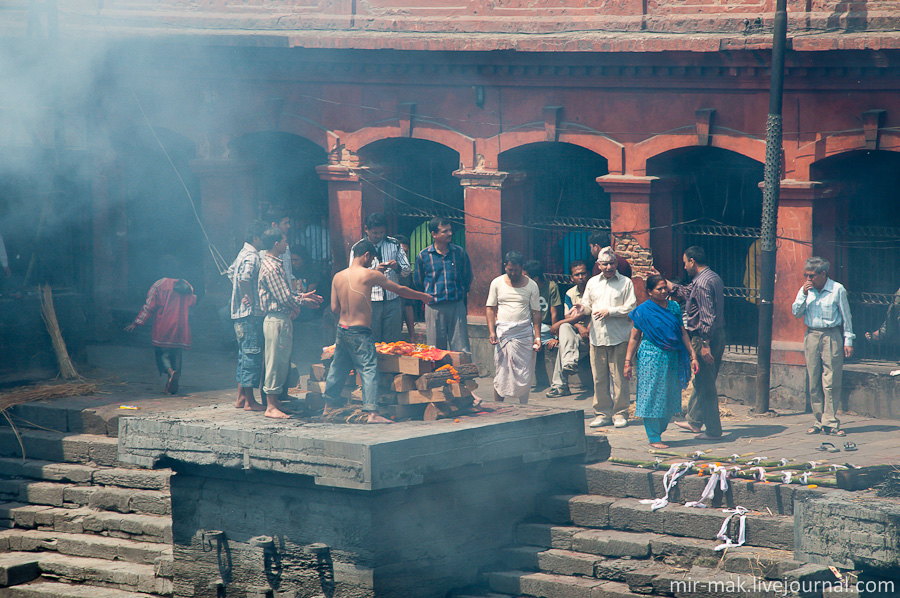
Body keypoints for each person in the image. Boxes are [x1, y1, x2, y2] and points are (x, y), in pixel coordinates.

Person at [323, 239, 433, 424]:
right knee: (368, 369)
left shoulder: (338, 276)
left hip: (342, 329)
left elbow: (334, 308)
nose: (372, 262)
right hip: (360, 331)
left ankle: (329, 406)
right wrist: (422, 296)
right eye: (371, 258)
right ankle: (372, 413)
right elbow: (399, 289)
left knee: (338, 367)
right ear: (367, 255)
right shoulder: (369, 275)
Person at [624, 275, 700, 449]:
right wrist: (627, 362)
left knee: (670, 394)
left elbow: (683, 334)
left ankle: (660, 429)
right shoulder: (643, 311)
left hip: (672, 357)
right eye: (659, 289)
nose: (664, 291)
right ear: (650, 292)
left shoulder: (673, 307)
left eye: (665, 287)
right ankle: (653, 436)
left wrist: (693, 355)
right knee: (651, 394)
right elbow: (634, 338)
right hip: (651, 357)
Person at [258, 228, 323, 419]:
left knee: (282, 361)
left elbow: (287, 295)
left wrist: (303, 296)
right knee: (275, 362)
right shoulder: (271, 268)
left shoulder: (275, 264)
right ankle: (270, 406)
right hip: (276, 319)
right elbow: (284, 297)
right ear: (276, 243)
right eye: (284, 241)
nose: (287, 245)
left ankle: (276, 402)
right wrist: (304, 300)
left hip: (281, 318)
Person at [664, 246, 726, 440]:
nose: (684, 267)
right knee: (701, 381)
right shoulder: (711, 277)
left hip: (704, 337)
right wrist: (663, 281)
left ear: (692, 261)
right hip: (717, 334)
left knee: (706, 384)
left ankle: (714, 430)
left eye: (685, 263)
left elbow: (707, 316)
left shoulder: (701, 283)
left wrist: (705, 343)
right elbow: (684, 292)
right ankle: (695, 421)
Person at [792, 256, 854, 437]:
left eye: (811, 276)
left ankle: (830, 421)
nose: (808, 279)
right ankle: (818, 420)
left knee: (831, 379)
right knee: (813, 380)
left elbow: (846, 316)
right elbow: (796, 312)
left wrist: (848, 340)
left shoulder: (837, 289)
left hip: (831, 335)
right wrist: (803, 294)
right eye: (806, 275)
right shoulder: (806, 289)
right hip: (812, 334)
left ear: (823, 274)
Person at [580, 246, 637, 428]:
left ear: (616, 263)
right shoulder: (592, 283)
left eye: (612, 263)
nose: (609, 267)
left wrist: (610, 311)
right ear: (598, 264)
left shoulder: (626, 283)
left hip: (619, 336)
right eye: (604, 264)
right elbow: (587, 305)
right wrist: (580, 309)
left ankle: (620, 413)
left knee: (620, 377)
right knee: (599, 377)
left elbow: (631, 307)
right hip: (597, 337)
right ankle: (602, 413)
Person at [125, 274, 197, 395]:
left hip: (164, 325)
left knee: (163, 353)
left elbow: (149, 306)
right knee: (177, 353)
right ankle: (172, 382)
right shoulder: (186, 284)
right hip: (181, 326)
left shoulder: (160, 284)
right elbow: (193, 302)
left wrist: (137, 322)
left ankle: (170, 372)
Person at [486, 251, 542, 404]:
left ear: (521, 268)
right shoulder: (496, 283)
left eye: (516, 270)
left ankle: (524, 407)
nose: (513, 273)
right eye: (510, 270)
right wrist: (492, 331)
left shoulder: (532, 285)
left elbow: (536, 312)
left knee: (524, 372)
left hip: (524, 333)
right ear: (505, 266)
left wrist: (537, 338)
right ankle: (498, 406)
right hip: (503, 333)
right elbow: (490, 308)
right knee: (501, 371)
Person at [349, 212, 411, 343]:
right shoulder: (358, 248)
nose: (378, 236)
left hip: (392, 300)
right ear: (366, 229)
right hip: (370, 302)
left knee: (393, 341)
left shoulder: (394, 244)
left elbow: (407, 270)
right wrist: (374, 272)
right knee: (371, 340)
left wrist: (397, 268)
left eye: (381, 232)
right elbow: (353, 276)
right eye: (375, 233)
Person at [414, 217, 473, 353]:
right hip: (434, 307)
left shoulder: (459, 253)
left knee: (461, 349)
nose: (450, 234)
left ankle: (460, 374)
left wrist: (461, 293)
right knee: (435, 350)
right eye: (445, 231)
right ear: (434, 234)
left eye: (450, 230)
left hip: (456, 305)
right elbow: (418, 281)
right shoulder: (423, 256)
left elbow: (467, 276)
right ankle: (437, 374)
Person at [227, 221, 266, 412]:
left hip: (238, 314)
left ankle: (241, 398)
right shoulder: (253, 256)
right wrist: (248, 294)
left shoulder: (242, 253)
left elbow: (231, 272)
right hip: (249, 314)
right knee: (251, 355)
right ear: (256, 238)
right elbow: (243, 278)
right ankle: (250, 401)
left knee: (244, 356)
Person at [547, 260, 591, 397]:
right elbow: (568, 316)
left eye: (583, 273)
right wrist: (579, 326)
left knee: (565, 347)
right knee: (566, 327)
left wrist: (586, 329)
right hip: (577, 335)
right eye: (577, 275)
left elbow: (594, 313)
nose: (581, 277)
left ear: (588, 274)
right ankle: (569, 362)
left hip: (593, 335)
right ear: (571, 278)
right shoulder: (570, 293)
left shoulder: (594, 289)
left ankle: (560, 386)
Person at [523, 260, 562, 346]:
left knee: (530, 335)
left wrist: (555, 336)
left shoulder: (551, 287)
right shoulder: (525, 288)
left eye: (526, 277)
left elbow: (554, 314)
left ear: (535, 279)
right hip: (529, 324)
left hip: (545, 326)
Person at [394, 234, 418, 343]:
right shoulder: (380, 272)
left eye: (406, 252)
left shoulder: (407, 275)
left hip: (398, 326)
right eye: (401, 252)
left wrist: (412, 335)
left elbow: (408, 305)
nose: (403, 256)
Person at [266, 208, 294, 287]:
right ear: (274, 225)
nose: (288, 226)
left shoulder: (286, 247)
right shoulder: (265, 249)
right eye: (285, 223)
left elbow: (289, 274)